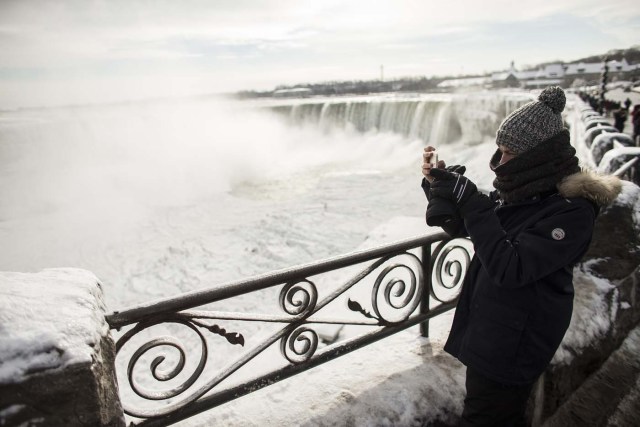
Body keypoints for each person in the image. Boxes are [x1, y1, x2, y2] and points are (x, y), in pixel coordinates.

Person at [420, 86, 622, 426]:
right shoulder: (532, 194)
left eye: (509, 152)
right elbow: (486, 231)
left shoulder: (571, 212)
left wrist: (470, 201)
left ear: (538, 157)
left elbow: (510, 267)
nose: (500, 162)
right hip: (497, 331)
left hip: (514, 344)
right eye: (499, 150)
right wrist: (443, 190)